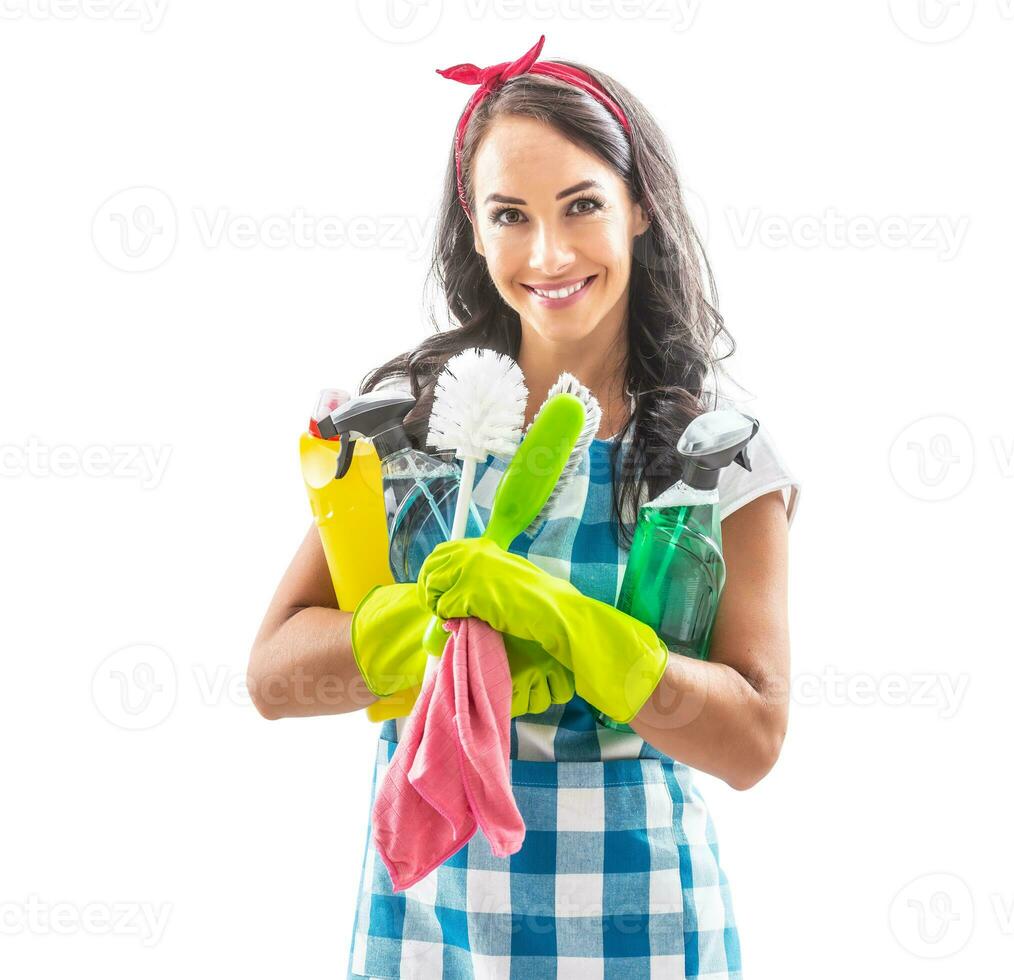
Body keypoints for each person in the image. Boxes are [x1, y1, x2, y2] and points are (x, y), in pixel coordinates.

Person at [249, 35, 800, 979]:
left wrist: (578, 632)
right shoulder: (408, 435)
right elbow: (273, 678)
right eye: (510, 214)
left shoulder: (716, 457)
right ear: (472, 227)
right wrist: (420, 632)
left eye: (581, 205)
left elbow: (751, 743)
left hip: (649, 929)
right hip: (430, 928)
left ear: (640, 208)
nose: (547, 253)